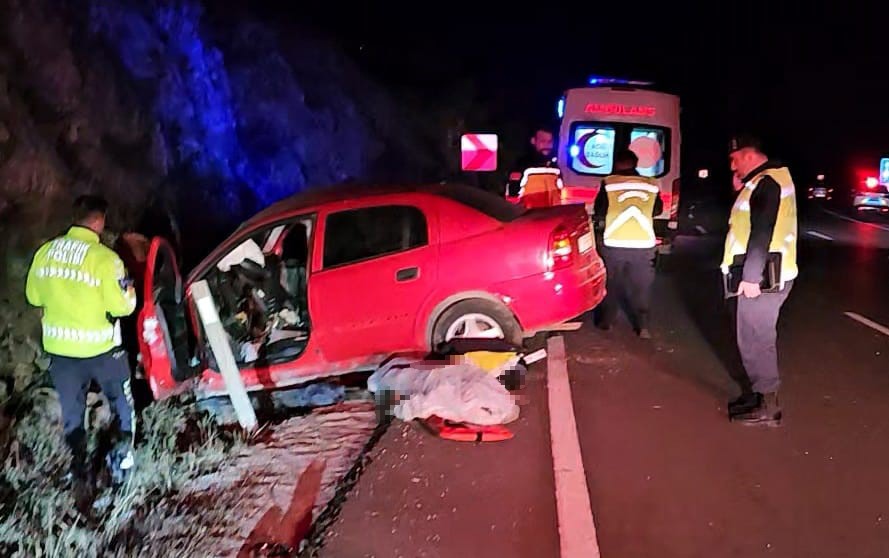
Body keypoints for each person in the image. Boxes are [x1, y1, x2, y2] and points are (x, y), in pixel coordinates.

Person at [25, 195, 138, 483]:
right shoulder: (106, 260)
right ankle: (122, 462)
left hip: (62, 353)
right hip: (101, 350)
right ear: (99, 221)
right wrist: (129, 289)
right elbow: (122, 307)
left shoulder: (45, 253)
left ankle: (77, 468)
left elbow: (32, 296)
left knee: (73, 412)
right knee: (122, 404)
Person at [723, 136, 798, 426]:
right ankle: (758, 395)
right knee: (751, 337)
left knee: (756, 340)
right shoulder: (766, 180)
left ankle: (768, 407)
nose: (732, 165)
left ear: (751, 156)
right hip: (769, 272)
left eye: (735, 158)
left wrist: (751, 277)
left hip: (764, 276)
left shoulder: (767, 182)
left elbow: (762, 231)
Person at [593, 149, 663, 339]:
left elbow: (599, 210)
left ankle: (606, 321)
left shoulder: (609, 182)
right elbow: (657, 210)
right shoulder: (651, 184)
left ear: (616, 164)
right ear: (635, 164)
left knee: (611, 283)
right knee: (641, 286)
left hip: (614, 243)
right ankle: (643, 326)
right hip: (642, 244)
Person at [506, 127, 559, 198]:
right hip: (529, 208)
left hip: (552, 209)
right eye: (543, 141)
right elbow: (512, 194)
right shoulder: (522, 164)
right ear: (533, 141)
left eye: (550, 142)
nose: (547, 145)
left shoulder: (555, 167)